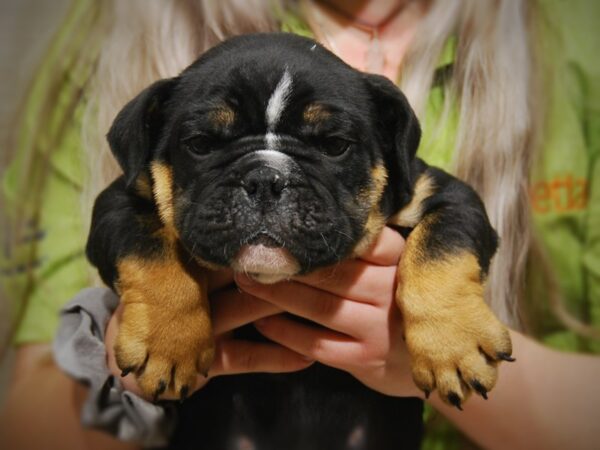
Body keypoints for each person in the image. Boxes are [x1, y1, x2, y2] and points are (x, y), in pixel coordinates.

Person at [1, 0, 599, 449]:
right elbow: (28, 417)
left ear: (388, 146)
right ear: (147, 144)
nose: (267, 185)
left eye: (332, 144)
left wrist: (435, 319)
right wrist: (148, 327)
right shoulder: (116, 27)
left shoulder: (570, 41)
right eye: (208, 143)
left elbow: (454, 210)